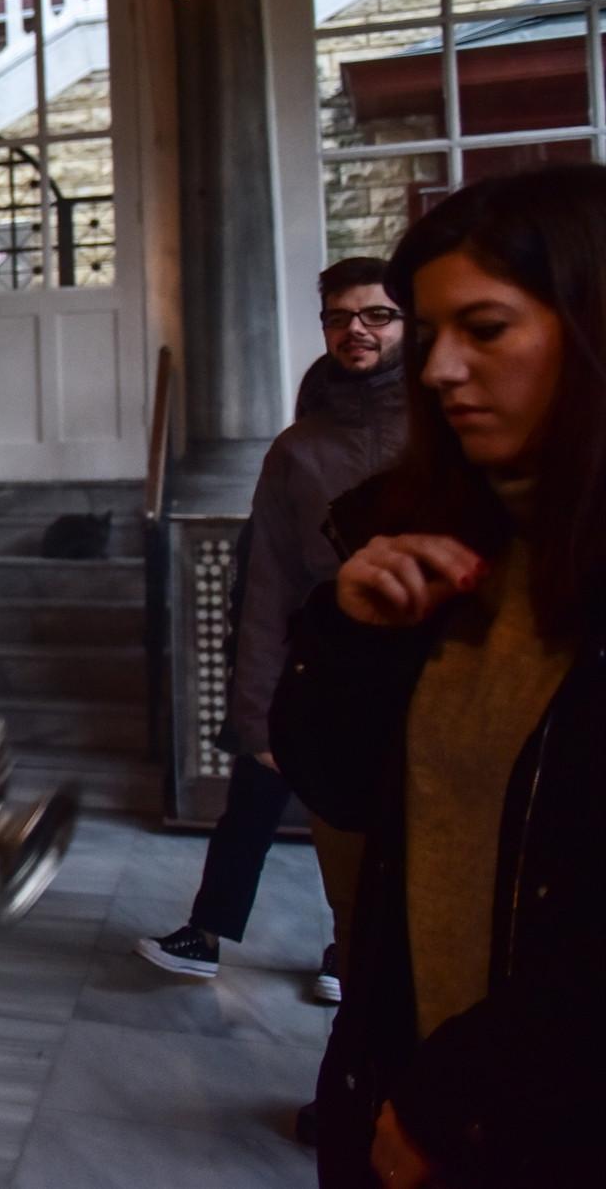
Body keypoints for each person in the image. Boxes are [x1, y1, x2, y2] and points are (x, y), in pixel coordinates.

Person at [271, 164, 606, 1188]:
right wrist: (351, 634)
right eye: (434, 331)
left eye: (488, 329)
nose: (442, 368)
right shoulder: (419, 530)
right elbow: (339, 783)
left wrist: (468, 1092)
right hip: (403, 1079)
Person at [138, 259, 405, 998]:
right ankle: (214, 930)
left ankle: (353, 949)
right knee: (263, 783)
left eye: (377, 314)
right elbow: (267, 588)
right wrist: (253, 710)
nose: (357, 329)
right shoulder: (298, 448)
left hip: (423, 662)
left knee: (394, 817)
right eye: (340, 317)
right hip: (324, 654)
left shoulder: (447, 426)